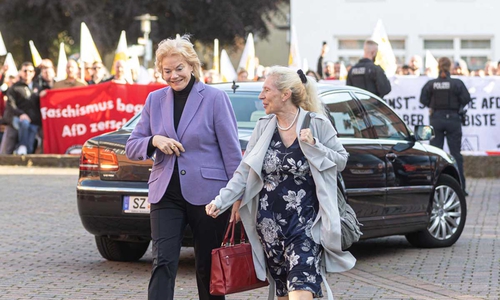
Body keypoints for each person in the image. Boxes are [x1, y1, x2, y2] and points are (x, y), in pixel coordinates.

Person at [205, 66, 356, 300]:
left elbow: (342, 161)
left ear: (285, 94)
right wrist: (221, 200)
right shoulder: (264, 126)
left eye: (266, 90)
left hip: (305, 225)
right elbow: (244, 171)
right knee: (284, 293)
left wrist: (315, 144)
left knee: (302, 286)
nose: (261, 96)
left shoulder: (316, 123)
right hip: (269, 227)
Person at [125, 34, 242, 300]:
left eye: (179, 68)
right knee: (163, 262)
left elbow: (232, 152)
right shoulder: (154, 100)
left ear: (191, 66)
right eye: (167, 70)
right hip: (165, 194)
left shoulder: (215, 98)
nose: (173, 75)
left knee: (207, 267)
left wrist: (236, 196)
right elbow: (133, 145)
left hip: (210, 196)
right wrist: (155, 140)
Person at [420, 57, 471, 195]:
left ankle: (434, 187)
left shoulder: (431, 84)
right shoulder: (457, 83)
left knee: (435, 155)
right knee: (456, 155)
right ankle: (461, 187)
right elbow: (466, 99)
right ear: (450, 67)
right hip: (453, 120)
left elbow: (422, 100)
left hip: (436, 120)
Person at [2, 62, 40, 155]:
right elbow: (10, 104)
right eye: (25, 71)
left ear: (33, 73)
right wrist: (21, 114)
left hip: (33, 121)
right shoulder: (15, 87)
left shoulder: (37, 87)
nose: (27, 73)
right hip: (16, 119)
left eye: (30, 71)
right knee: (6, 150)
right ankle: (21, 146)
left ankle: (23, 150)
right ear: (21, 72)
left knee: (29, 147)